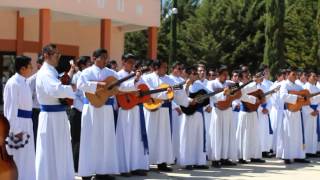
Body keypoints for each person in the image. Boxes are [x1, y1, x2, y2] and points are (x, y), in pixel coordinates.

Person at [78, 48, 123, 180]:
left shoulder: (112, 73)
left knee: (106, 139)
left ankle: (103, 171)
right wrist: (97, 85)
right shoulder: (86, 72)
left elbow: (119, 87)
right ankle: (87, 172)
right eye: (102, 57)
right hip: (91, 108)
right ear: (94, 58)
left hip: (107, 109)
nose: (105, 60)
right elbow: (81, 85)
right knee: (89, 138)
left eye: (106, 58)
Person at [35, 44, 75, 180]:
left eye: (59, 54)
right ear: (46, 55)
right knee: (49, 151)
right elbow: (56, 90)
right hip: (50, 117)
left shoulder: (52, 71)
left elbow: (61, 84)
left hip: (58, 115)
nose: (59, 57)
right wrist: (72, 89)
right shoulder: (45, 73)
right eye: (56, 54)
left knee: (60, 150)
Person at [142, 59, 191, 171]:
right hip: (151, 110)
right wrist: (166, 94)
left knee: (163, 136)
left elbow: (177, 92)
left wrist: (183, 93)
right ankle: (146, 162)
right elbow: (150, 92)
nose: (166, 69)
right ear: (156, 67)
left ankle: (162, 162)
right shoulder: (147, 78)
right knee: (150, 134)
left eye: (166, 67)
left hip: (165, 111)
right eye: (163, 67)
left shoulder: (169, 79)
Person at [116, 54, 149, 177]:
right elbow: (118, 89)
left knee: (136, 138)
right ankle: (124, 167)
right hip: (125, 109)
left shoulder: (138, 76)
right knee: (126, 138)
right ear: (123, 62)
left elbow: (145, 89)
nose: (132, 64)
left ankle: (136, 166)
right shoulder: (118, 75)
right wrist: (134, 82)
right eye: (129, 62)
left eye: (133, 62)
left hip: (136, 109)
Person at [3, 55, 35, 180]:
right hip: (18, 126)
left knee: (27, 158)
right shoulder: (13, 83)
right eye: (30, 66)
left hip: (27, 123)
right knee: (18, 157)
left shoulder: (24, 82)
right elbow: (10, 109)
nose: (32, 68)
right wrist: (15, 130)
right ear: (22, 69)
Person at [279, 67, 310, 164]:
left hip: (297, 112)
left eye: (296, 74)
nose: (295, 76)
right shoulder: (284, 85)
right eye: (293, 74)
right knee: (288, 133)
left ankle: (299, 156)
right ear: (287, 75)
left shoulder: (298, 86)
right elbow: (283, 96)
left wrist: (305, 97)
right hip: (288, 112)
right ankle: (287, 156)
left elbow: (304, 96)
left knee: (298, 134)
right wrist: (296, 97)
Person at [207, 65, 237, 167]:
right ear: (219, 74)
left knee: (226, 134)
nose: (226, 76)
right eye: (224, 74)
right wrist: (223, 94)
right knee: (217, 134)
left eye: (226, 74)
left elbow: (239, 91)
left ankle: (225, 157)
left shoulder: (230, 83)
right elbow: (212, 96)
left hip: (228, 110)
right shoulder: (211, 83)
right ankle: (215, 159)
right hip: (217, 110)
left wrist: (231, 95)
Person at [236, 72, 266, 164]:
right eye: (246, 76)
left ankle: (254, 155)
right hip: (244, 113)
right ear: (241, 78)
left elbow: (257, 93)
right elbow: (242, 96)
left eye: (248, 76)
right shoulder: (239, 86)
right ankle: (241, 156)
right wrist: (253, 99)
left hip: (253, 112)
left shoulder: (251, 85)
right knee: (243, 135)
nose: (248, 78)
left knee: (254, 134)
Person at [69, 56, 91, 172]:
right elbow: (74, 96)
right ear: (82, 65)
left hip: (87, 112)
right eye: (88, 63)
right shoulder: (77, 77)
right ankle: (75, 165)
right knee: (76, 139)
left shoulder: (88, 77)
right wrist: (84, 108)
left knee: (85, 139)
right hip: (77, 111)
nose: (90, 65)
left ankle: (84, 163)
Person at [168, 62, 185, 160]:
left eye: (181, 69)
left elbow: (184, 95)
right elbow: (169, 95)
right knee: (172, 133)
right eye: (178, 68)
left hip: (182, 109)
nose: (180, 71)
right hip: (173, 109)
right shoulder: (169, 79)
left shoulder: (182, 80)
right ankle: (170, 156)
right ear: (173, 69)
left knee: (178, 134)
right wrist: (175, 107)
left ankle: (176, 155)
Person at [27, 54, 44, 149]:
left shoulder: (51, 78)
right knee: (35, 136)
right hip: (36, 112)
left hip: (47, 112)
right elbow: (29, 98)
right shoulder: (32, 80)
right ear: (38, 65)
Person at [302, 70, 320, 157]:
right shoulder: (305, 87)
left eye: (315, 76)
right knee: (307, 130)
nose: (315, 78)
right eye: (313, 76)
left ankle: (313, 150)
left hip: (316, 111)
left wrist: (317, 110)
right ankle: (306, 151)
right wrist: (310, 111)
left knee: (314, 131)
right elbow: (303, 102)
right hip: (308, 112)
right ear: (308, 77)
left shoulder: (317, 88)